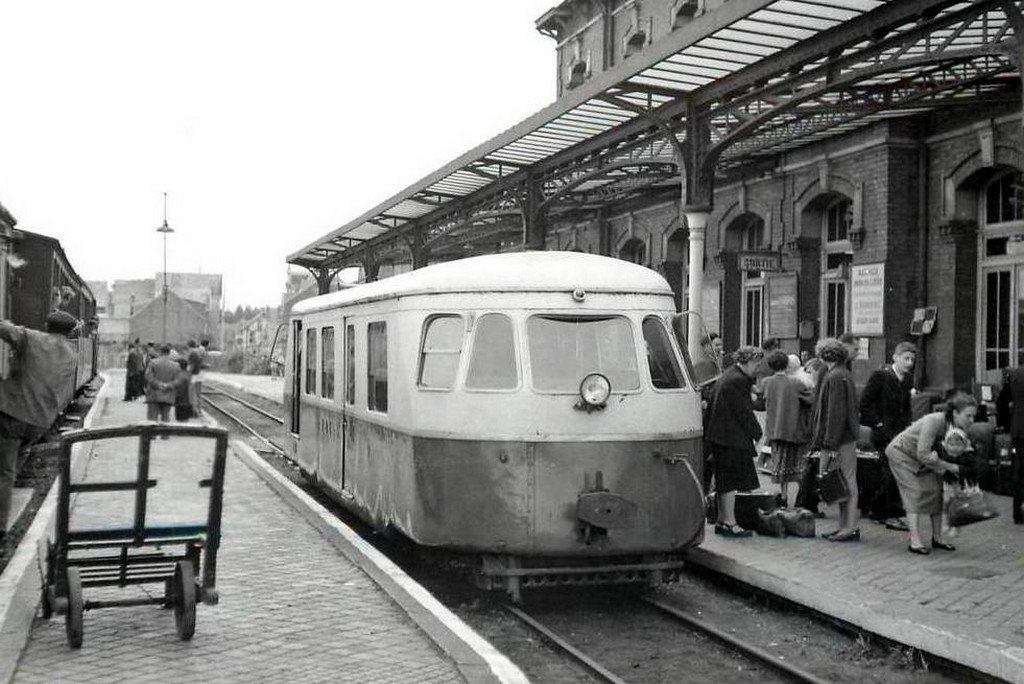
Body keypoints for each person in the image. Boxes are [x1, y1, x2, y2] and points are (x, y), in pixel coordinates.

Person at [0, 311, 79, 540]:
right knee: (12, 467)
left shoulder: (32, 338)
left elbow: (6, 330)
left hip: (12, 413)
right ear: (70, 332)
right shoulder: (72, 353)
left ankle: (1, 527)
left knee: (4, 472)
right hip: (39, 422)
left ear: (46, 325)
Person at [886, 392, 976, 553]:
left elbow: (959, 453)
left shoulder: (958, 427)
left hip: (926, 459)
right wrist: (950, 467)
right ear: (955, 413)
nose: (971, 420)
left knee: (936, 491)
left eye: (973, 416)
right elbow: (923, 453)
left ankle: (938, 538)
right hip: (902, 454)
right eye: (968, 416)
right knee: (915, 492)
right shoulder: (933, 421)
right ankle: (914, 541)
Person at [705, 345, 764, 537]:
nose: (758, 368)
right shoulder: (738, 381)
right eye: (756, 363)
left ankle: (723, 520)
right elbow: (743, 412)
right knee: (730, 482)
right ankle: (730, 522)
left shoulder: (728, 375)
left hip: (720, 437)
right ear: (747, 361)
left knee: (724, 482)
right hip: (731, 438)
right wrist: (757, 433)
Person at [859, 341, 917, 530]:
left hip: (901, 433)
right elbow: (865, 404)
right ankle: (887, 512)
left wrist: (909, 426)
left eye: (912, 359)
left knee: (893, 471)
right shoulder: (880, 377)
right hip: (884, 434)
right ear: (895, 357)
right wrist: (878, 424)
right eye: (905, 358)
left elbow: (907, 406)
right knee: (889, 471)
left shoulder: (908, 380)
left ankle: (878, 509)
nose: (909, 363)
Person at [811, 338, 861, 542]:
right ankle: (844, 526)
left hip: (840, 439)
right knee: (843, 482)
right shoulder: (842, 374)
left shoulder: (834, 376)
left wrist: (830, 443)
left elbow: (835, 413)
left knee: (847, 482)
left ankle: (849, 527)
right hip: (844, 437)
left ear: (823, 355)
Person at [763, 350, 813, 507]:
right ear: (787, 364)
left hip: (776, 431)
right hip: (795, 430)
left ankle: (783, 496)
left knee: (781, 466)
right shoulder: (796, 383)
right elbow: (811, 399)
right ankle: (800, 498)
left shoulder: (767, 382)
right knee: (799, 466)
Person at [996, 368, 1024, 524]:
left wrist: (1007, 425)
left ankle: (1018, 512)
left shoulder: (1013, 376)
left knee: (1019, 470)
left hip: (1019, 429)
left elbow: (1001, 402)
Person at [145, 344, 182, 424]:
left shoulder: (153, 363)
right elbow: (178, 381)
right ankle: (164, 435)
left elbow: (148, 377)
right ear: (169, 353)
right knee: (166, 418)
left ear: (160, 352)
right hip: (168, 395)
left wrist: (159, 385)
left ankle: (152, 436)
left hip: (154, 394)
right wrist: (168, 385)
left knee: (152, 420)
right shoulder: (176, 366)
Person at [186, 339, 208, 418]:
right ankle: (198, 410)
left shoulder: (192, 353)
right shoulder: (200, 351)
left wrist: (188, 373)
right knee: (197, 393)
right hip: (198, 373)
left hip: (193, 374)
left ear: (188, 345)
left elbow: (191, 365)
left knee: (192, 393)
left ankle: (194, 411)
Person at [173, 357, 193, 422]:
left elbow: (179, 390)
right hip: (186, 402)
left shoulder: (181, 376)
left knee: (181, 421)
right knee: (185, 420)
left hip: (181, 403)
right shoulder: (187, 374)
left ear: (179, 366)